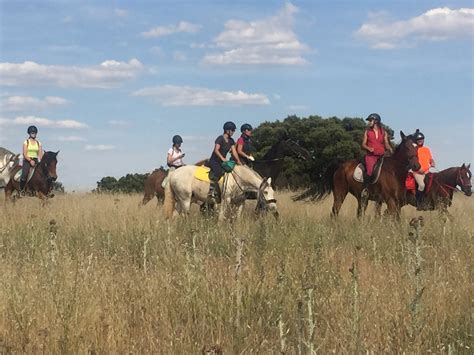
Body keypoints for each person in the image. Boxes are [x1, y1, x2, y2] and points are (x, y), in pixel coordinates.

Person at [207, 121, 242, 204]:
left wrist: (239, 162)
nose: (233, 132)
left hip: (223, 161)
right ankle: (211, 190)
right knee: (218, 172)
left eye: (234, 130)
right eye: (232, 130)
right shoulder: (220, 138)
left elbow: (234, 152)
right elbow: (216, 150)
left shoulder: (231, 140)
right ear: (227, 130)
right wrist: (222, 158)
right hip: (214, 161)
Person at [360, 113, 393, 197]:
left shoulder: (384, 132)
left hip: (382, 156)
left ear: (376, 121)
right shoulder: (367, 132)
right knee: (370, 171)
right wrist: (368, 148)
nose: (369, 122)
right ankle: (366, 189)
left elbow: (386, 143)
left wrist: (390, 149)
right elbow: (363, 144)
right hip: (371, 156)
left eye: (370, 120)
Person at [413, 129, 435, 210]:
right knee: (422, 185)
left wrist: (432, 162)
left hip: (427, 171)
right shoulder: (414, 150)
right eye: (418, 139)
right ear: (416, 140)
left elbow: (430, 159)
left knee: (432, 185)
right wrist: (419, 170)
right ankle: (419, 204)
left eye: (421, 139)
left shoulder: (426, 149)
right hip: (417, 172)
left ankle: (430, 202)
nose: (420, 141)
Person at [20, 125, 43, 194]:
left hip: (36, 160)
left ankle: (46, 190)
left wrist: (39, 160)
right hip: (27, 160)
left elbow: (40, 154)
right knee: (24, 174)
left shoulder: (39, 143)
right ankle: (22, 190)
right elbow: (24, 153)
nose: (33, 134)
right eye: (32, 132)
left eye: (34, 133)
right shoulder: (26, 142)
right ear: (29, 133)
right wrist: (30, 160)